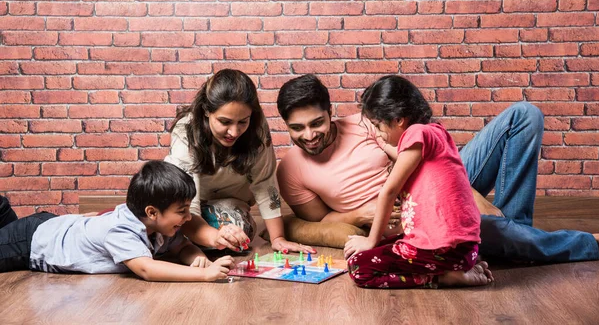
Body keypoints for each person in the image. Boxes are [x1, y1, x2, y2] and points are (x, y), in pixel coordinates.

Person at [276, 74, 599, 263]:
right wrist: (361, 215)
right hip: (415, 214)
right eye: (297, 128)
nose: (309, 135)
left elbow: (429, 156)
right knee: (498, 232)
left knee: (524, 115)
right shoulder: (290, 168)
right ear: (286, 126)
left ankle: (516, 229)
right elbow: (318, 221)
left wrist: (475, 197)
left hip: (432, 178)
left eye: (316, 123)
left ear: (330, 111)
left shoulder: (365, 124)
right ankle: (573, 242)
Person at [343, 75, 493, 288]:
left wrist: (370, 240)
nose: (378, 133)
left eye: (378, 126)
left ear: (398, 119)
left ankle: (444, 277)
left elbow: (389, 191)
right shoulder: (434, 133)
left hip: (447, 251)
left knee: (359, 266)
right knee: (383, 245)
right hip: (462, 251)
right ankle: (457, 269)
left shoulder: (417, 133)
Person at [0, 160, 234, 281]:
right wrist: (204, 275)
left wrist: (199, 259)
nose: (188, 217)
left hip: (53, 225)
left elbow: (183, 246)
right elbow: (146, 269)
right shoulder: (121, 230)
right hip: (31, 241)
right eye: (182, 210)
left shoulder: (160, 228)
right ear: (152, 213)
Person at [165, 69, 314, 254]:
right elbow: (185, 199)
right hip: (190, 204)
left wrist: (277, 238)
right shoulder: (185, 131)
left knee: (235, 230)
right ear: (206, 111)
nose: (234, 132)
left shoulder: (257, 129)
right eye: (225, 122)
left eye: (242, 122)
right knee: (171, 225)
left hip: (232, 204)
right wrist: (213, 236)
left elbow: (265, 183)